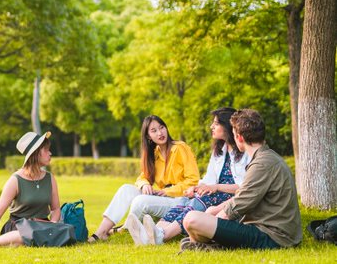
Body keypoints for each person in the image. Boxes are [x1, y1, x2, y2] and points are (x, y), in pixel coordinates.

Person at [180, 108, 302, 251]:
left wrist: (213, 221)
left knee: (191, 219)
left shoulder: (262, 164)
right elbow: (243, 194)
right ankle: (208, 245)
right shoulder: (266, 158)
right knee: (204, 216)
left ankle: (207, 245)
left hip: (273, 236)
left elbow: (240, 203)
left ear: (239, 138)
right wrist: (213, 212)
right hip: (266, 230)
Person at [129, 107, 250, 245]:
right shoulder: (219, 151)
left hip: (230, 196)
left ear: (227, 126)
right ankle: (153, 233)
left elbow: (245, 187)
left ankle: (162, 236)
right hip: (215, 192)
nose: (212, 126)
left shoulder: (244, 151)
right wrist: (196, 188)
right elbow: (209, 179)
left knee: (197, 202)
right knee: (184, 201)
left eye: (216, 124)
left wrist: (214, 187)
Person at [89, 115, 199, 242]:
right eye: (154, 131)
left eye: (162, 127)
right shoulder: (154, 153)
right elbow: (142, 177)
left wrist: (166, 192)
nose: (160, 133)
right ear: (148, 137)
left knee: (140, 201)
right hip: (163, 198)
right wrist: (144, 184)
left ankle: (124, 229)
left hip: (180, 201)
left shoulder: (180, 148)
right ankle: (101, 232)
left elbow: (193, 181)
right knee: (126, 189)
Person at [0, 131, 63, 248]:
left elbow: (56, 208)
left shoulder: (49, 178)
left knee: (61, 232)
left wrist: (52, 225)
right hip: (18, 227)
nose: (50, 153)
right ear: (35, 153)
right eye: (46, 150)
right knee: (23, 236)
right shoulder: (15, 180)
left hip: (42, 226)